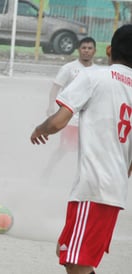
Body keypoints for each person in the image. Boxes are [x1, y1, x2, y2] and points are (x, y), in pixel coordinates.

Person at [30, 24, 132, 274]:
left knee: (76, 263)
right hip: (113, 189)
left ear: (108, 50)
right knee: (67, 253)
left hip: (93, 188)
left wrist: (41, 129)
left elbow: (58, 121)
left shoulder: (94, 77)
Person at [43, 37, 97, 177]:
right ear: (79, 50)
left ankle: (83, 177)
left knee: (87, 150)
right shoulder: (68, 68)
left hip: (89, 120)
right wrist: (51, 105)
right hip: (70, 118)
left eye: (89, 48)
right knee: (65, 148)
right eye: (84, 48)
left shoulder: (98, 71)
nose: (86, 51)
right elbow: (56, 87)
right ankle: (47, 170)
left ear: (94, 51)